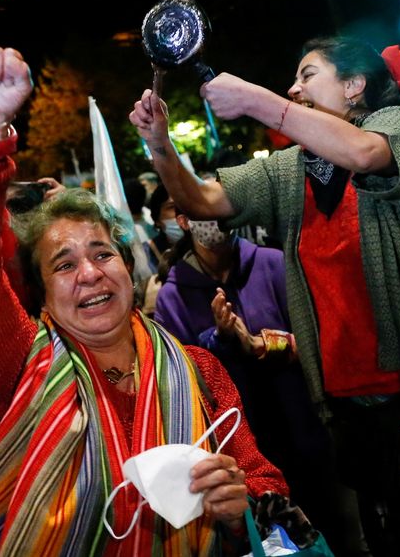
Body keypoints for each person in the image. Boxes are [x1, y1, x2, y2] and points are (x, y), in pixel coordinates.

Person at [131, 37, 400, 555]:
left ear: (353, 86)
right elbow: (201, 200)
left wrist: (257, 101)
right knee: (396, 542)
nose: (293, 88)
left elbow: (363, 153)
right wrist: (160, 144)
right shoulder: (290, 169)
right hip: (352, 407)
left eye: (308, 75)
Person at [0, 47, 291, 555]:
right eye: (64, 264)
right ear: (43, 295)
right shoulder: (19, 368)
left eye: (102, 253)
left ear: (127, 265)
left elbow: (264, 484)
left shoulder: (202, 372)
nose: (90, 273)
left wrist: (241, 505)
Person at [153, 202, 365, 554]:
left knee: (338, 532)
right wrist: (218, 339)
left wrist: (260, 344)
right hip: (242, 451)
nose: (217, 222)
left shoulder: (272, 264)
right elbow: (181, 377)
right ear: (183, 222)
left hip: (305, 429)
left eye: (221, 208)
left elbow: (316, 339)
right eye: (204, 212)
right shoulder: (172, 297)